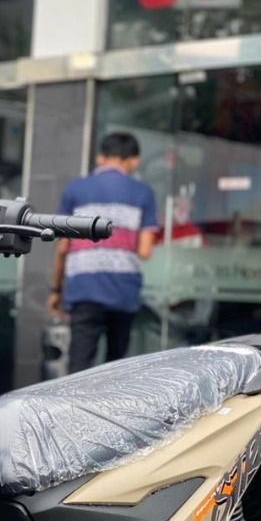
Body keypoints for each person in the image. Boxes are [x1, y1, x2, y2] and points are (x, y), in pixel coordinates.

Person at [48, 131, 158, 373]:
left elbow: (63, 247)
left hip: (84, 288)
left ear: (100, 158)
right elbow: (145, 251)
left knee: (78, 366)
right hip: (123, 291)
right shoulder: (143, 193)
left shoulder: (74, 190)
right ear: (134, 161)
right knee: (116, 368)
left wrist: (56, 290)